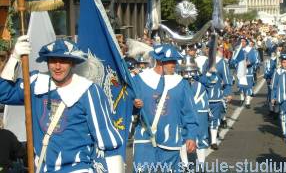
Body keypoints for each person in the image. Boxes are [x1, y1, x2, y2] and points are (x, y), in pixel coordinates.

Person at [0, 36, 124, 172]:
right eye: (53, 60)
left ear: (73, 63)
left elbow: (109, 141)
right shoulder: (35, 83)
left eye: (63, 61)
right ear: (47, 62)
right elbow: (3, 93)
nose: (57, 66)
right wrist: (15, 57)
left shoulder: (88, 91)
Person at [132, 44, 198, 172]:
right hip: (145, 138)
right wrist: (134, 105)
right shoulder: (140, 80)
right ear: (160, 61)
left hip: (170, 140)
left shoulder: (182, 83)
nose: (175, 64)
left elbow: (190, 113)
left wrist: (191, 136)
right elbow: (128, 108)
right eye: (171, 61)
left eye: (175, 60)